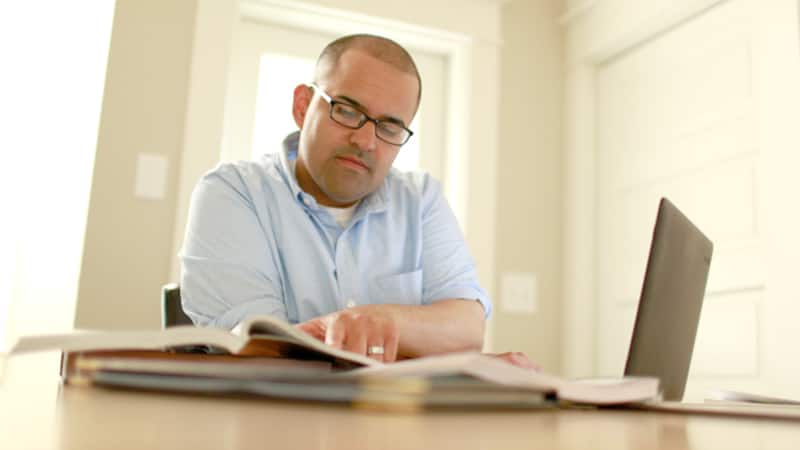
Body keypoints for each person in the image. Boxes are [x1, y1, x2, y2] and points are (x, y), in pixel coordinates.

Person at [180, 34, 534, 369]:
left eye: (390, 127)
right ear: (302, 107)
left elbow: (466, 330)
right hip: (269, 421)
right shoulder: (233, 192)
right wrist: (426, 348)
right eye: (347, 110)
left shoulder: (421, 199)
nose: (366, 141)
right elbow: (264, 349)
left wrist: (380, 321)